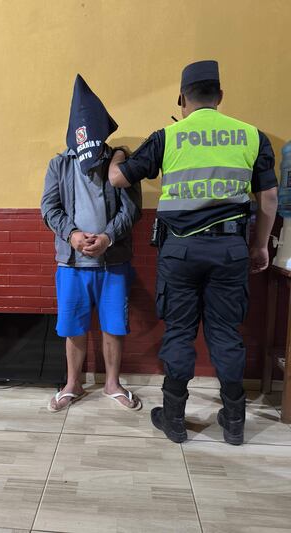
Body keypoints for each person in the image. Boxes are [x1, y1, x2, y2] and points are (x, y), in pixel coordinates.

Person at [108, 60, 278, 444]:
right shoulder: (251, 136)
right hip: (231, 250)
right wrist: (259, 245)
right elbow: (268, 198)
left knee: (179, 332)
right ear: (220, 96)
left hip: (180, 252)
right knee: (226, 333)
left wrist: (117, 156)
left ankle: (174, 420)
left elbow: (118, 179)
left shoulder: (168, 136)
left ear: (182, 99)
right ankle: (234, 422)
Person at [41, 74, 142, 412]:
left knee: (114, 325)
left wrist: (108, 237)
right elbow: (49, 208)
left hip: (113, 262)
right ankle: (73, 384)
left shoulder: (120, 163)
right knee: (73, 327)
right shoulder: (59, 164)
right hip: (71, 263)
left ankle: (112, 383)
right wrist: (72, 234)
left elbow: (132, 209)